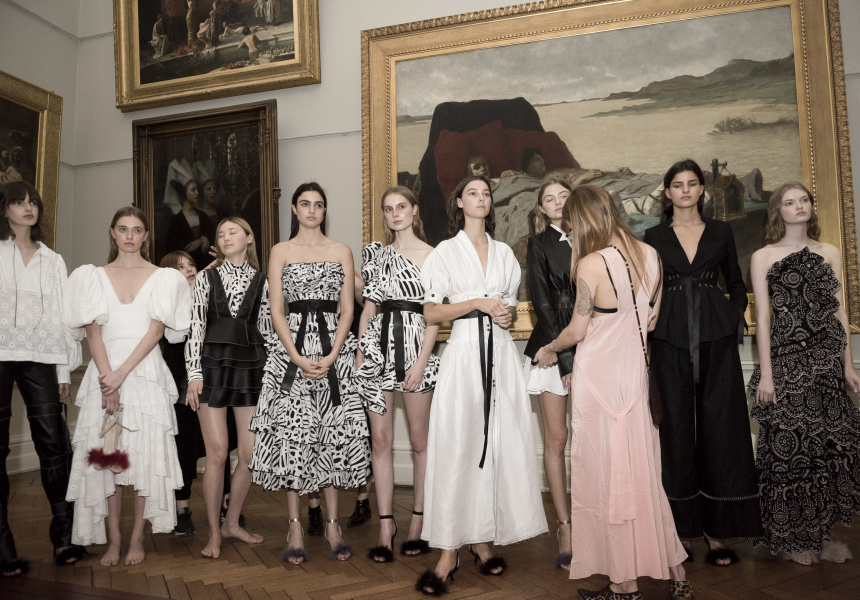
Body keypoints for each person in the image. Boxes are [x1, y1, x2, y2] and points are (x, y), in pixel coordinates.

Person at [534, 184, 691, 600]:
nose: (571, 229)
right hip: (635, 379)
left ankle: (623, 586)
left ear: (585, 219)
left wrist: (549, 349)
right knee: (642, 476)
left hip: (600, 380)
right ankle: (676, 574)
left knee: (607, 478)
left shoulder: (591, 263)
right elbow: (651, 322)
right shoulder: (651, 255)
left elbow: (577, 330)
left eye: (572, 221)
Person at [416, 176, 548, 596]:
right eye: (472, 193)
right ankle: (448, 551)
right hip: (463, 355)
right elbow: (430, 313)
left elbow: (508, 309)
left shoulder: (506, 253)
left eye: (486, 193)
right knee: (459, 446)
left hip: (501, 357)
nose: (481, 198)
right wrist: (475, 303)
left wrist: (504, 316)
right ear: (459, 202)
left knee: (496, 447)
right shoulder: (444, 252)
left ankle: (482, 539)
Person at [643, 159, 762, 565]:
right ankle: (680, 531)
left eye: (692, 183)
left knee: (721, 427)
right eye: (678, 185)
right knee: (674, 429)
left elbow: (736, 281)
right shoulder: (653, 236)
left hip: (716, 335)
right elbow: (647, 289)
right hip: (669, 337)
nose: (686, 190)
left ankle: (718, 532)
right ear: (668, 192)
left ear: (701, 189)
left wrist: (733, 317)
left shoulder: (721, 231)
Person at [249, 182, 372, 564]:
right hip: (291, 353)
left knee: (332, 438)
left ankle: (333, 526)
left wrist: (334, 353)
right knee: (293, 438)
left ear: (324, 210)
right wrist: (296, 357)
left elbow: (348, 309)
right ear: (294, 208)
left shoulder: (341, 250)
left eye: (319, 204)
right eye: (305, 204)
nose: (312, 210)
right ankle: (295, 527)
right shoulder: (280, 251)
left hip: (334, 350)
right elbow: (276, 309)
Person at [64, 206, 190, 567]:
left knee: (143, 458)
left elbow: (156, 331)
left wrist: (122, 374)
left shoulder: (163, 277)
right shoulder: (92, 276)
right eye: (123, 229)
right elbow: (93, 333)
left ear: (146, 236)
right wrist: (109, 380)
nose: (130, 236)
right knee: (108, 458)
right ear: (113, 233)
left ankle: (137, 538)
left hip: (144, 371)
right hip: (104, 373)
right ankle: (114, 541)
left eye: (136, 230)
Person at [749, 182, 860, 565]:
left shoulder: (829, 251)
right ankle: (794, 540)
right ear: (777, 211)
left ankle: (822, 537)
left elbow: (838, 311)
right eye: (789, 202)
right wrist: (767, 375)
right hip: (786, 363)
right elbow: (763, 319)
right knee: (792, 450)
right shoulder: (763, 256)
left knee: (826, 450)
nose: (799, 206)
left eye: (804, 200)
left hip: (826, 364)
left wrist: (848, 366)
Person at [0, 181, 82, 577]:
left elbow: (62, 317)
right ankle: (3, 549)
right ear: (5, 209)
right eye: (19, 202)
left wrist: (63, 369)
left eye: (33, 202)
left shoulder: (53, 259)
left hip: (42, 359)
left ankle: (65, 536)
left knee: (53, 445)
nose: (28, 208)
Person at [353, 186, 440, 562]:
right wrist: (361, 352)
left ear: (414, 210)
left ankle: (419, 522)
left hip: (417, 350)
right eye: (388, 209)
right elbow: (369, 308)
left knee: (419, 442)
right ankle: (386, 526)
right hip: (378, 352)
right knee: (380, 441)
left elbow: (434, 316)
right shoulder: (377, 255)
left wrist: (421, 362)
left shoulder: (434, 256)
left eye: (401, 206)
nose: (395, 214)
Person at [185, 217, 269, 559]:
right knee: (218, 454)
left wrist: (275, 377)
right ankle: (214, 532)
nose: (225, 237)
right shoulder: (206, 277)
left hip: (250, 369)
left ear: (249, 238)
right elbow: (195, 326)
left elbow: (268, 330)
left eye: (232, 231)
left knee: (249, 455)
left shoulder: (263, 281)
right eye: (221, 234)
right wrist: (193, 373)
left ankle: (232, 522)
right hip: (211, 368)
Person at [159, 251, 244, 537]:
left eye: (191, 265)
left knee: (222, 444)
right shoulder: (169, 302)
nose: (188, 270)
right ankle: (182, 508)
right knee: (184, 444)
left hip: (215, 378)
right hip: (179, 380)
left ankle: (224, 503)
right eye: (179, 267)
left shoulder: (210, 294)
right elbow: (178, 332)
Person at [523, 178, 575, 569]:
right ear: (541, 208)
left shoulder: (594, 237)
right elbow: (542, 303)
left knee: (593, 439)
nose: (557, 203)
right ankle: (565, 526)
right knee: (557, 439)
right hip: (552, 348)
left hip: (597, 343)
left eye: (563, 197)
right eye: (549, 199)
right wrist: (565, 357)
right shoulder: (539, 244)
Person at [165, 168, 215, 270]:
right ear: (184, 192)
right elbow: (172, 247)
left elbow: (212, 237)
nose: (197, 193)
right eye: (193, 190)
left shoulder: (202, 216)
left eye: (197, 189)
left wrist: (201, 240)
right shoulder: (176, 220)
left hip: (204, 265)